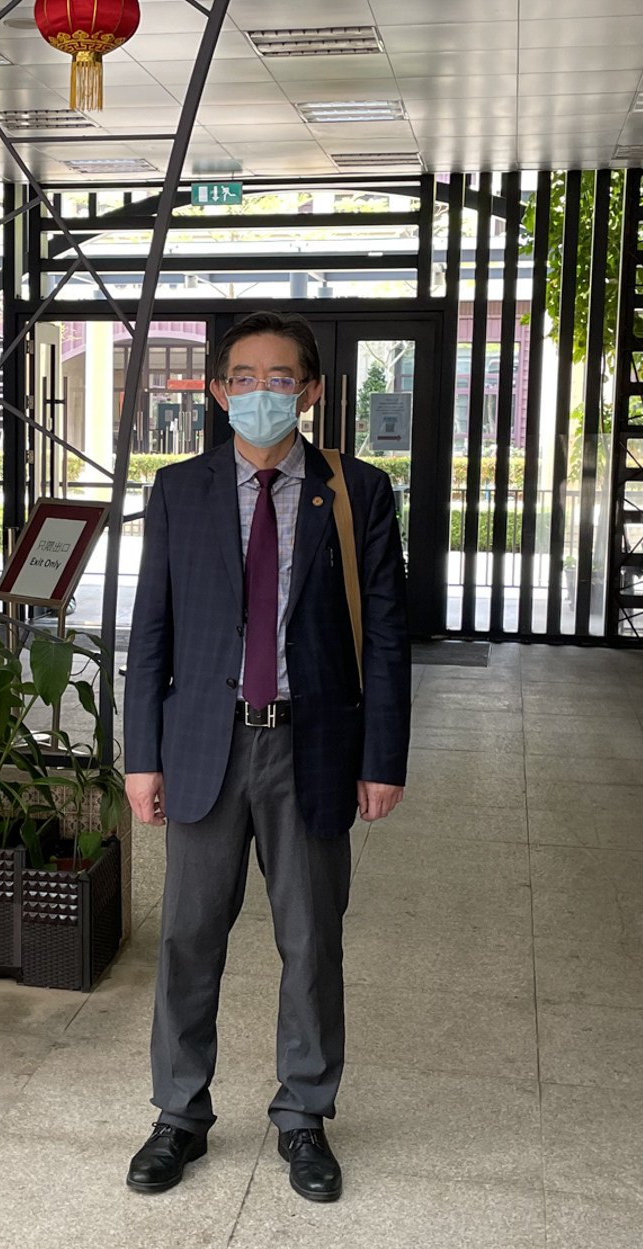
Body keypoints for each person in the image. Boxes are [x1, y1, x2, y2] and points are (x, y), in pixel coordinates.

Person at [123, 309, 412, 1203]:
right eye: (242, 378)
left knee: (311, 939)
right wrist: (140, 755)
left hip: (311, 744)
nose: (260, 393)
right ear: (217, 391)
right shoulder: (179, 489)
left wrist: (384, 758)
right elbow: (152, 627)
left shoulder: (357, 492)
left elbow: (388, 638)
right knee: (187, 936)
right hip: (204, 745)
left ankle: (304, 1114)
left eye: (279, 378)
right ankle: (179, 1112)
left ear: (311, 390)